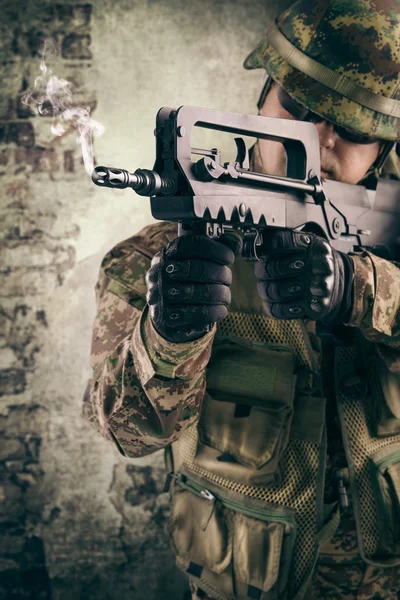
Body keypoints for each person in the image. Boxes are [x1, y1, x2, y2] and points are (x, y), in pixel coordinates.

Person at [83, 0, 400, 598]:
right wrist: (168, 338)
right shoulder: (161, 254)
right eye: (298, 109)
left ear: (385, 146)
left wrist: (362, 291)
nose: (320, 140)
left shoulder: (393, 228)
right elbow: (125, 435)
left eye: (355, 128)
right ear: (262, 99)